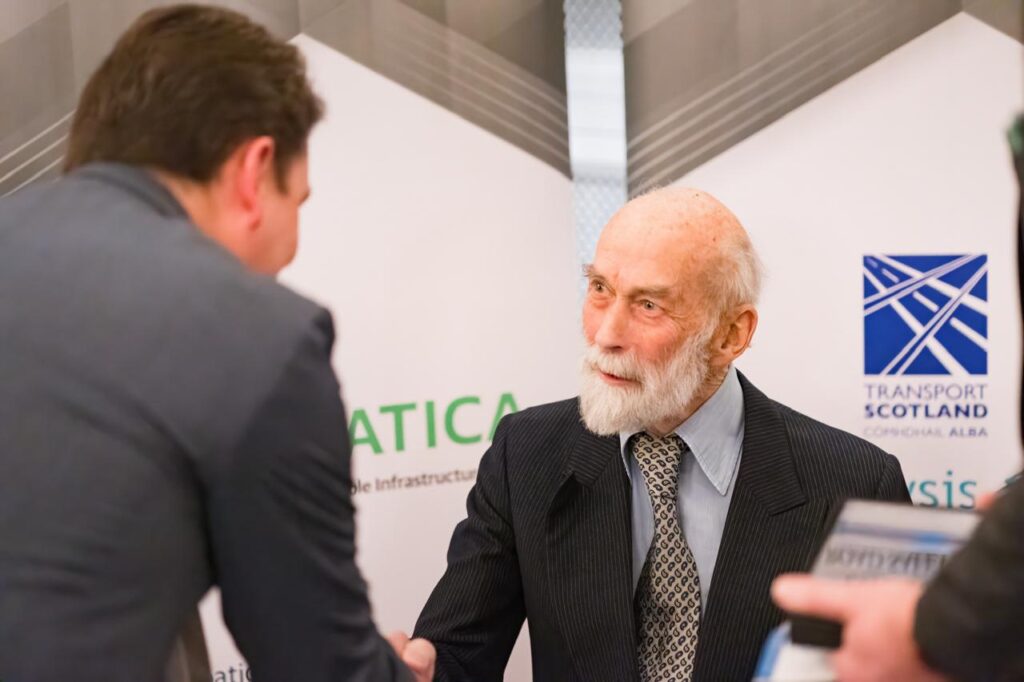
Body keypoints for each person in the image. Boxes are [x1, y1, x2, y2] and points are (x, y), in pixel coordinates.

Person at [0, 5, 433, 681]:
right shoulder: (259, 338)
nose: (292, 249)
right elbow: (321, 668)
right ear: (254, 173)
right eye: (299, 201)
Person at [408, 187, 911, 682]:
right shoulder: (525, 453)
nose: (607, 334)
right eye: (599, 289)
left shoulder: (856, 483)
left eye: (648, 305)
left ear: (730, 334)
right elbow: (455, 654)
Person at [770, 116, 1024, 682]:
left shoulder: (857, 470)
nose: (610, 333)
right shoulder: (550, 444)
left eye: (650, 305)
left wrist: (934, 631)